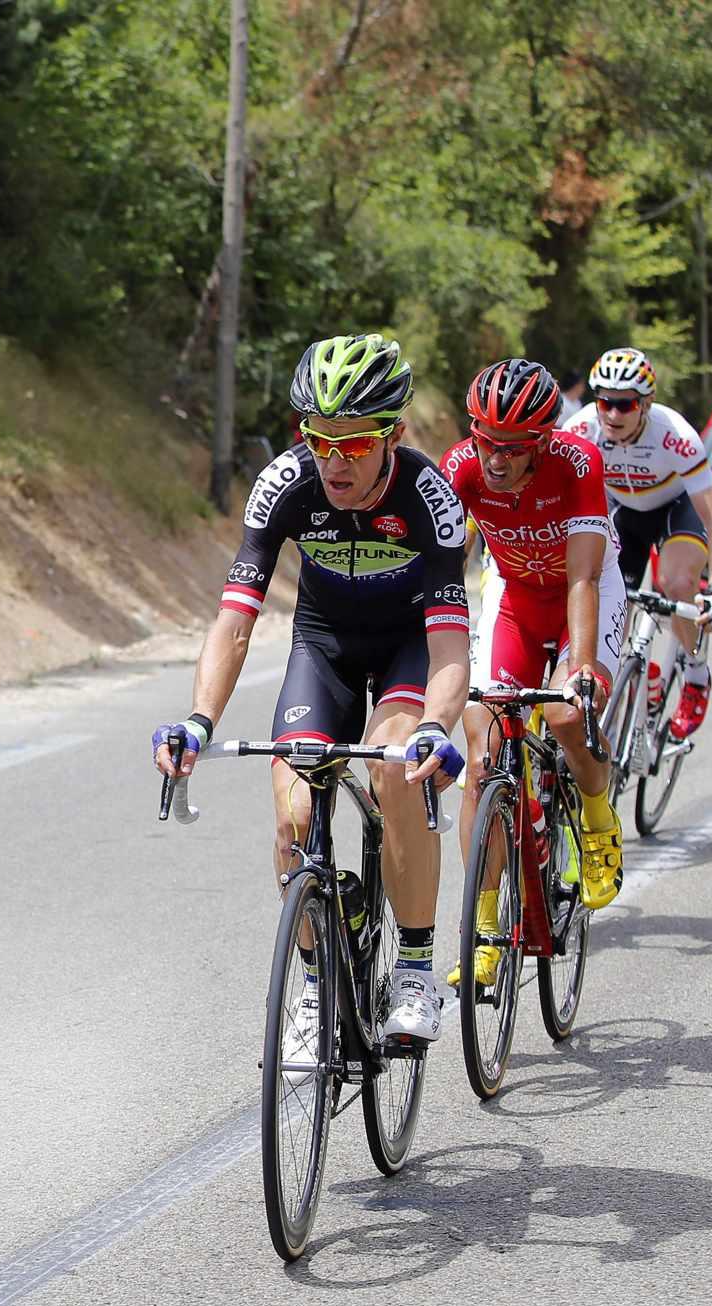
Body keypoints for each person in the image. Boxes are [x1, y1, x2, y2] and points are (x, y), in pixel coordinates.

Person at [152, 334, 467, 1044]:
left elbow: (450, 642)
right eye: (319, 439)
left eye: (354, 443)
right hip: (322, 642)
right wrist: (199, 720)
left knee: (396, 769)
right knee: (294, 814)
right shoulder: (285, 483)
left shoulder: (429, 497)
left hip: (406, 648)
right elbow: (235, 619)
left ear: (395, 434)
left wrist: (438, 726)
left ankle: (415, 969)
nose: (334, 460)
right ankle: (320, 979)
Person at [442, 357, 626, 988]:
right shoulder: (461, 467)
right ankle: (485, 929)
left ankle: (598, 815)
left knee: (565, 714)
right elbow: (439, 571)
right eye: (484, 439)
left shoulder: (577, 463)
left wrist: (579, 668)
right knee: (484, 748)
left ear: (541, 442)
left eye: (511, 448)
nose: (493, 457)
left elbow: (583, 576)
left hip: (584, 594)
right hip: (516, 598)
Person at [561, 348, 712, 737]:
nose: (613, 415)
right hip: (624, 513)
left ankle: (696, 673)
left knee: (676, 583)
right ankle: (626, 684)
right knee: (608, 602)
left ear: (646, 404)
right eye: (605, 402)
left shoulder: (675, 435)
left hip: (674, 509)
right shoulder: (582, 429)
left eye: (625, 404)